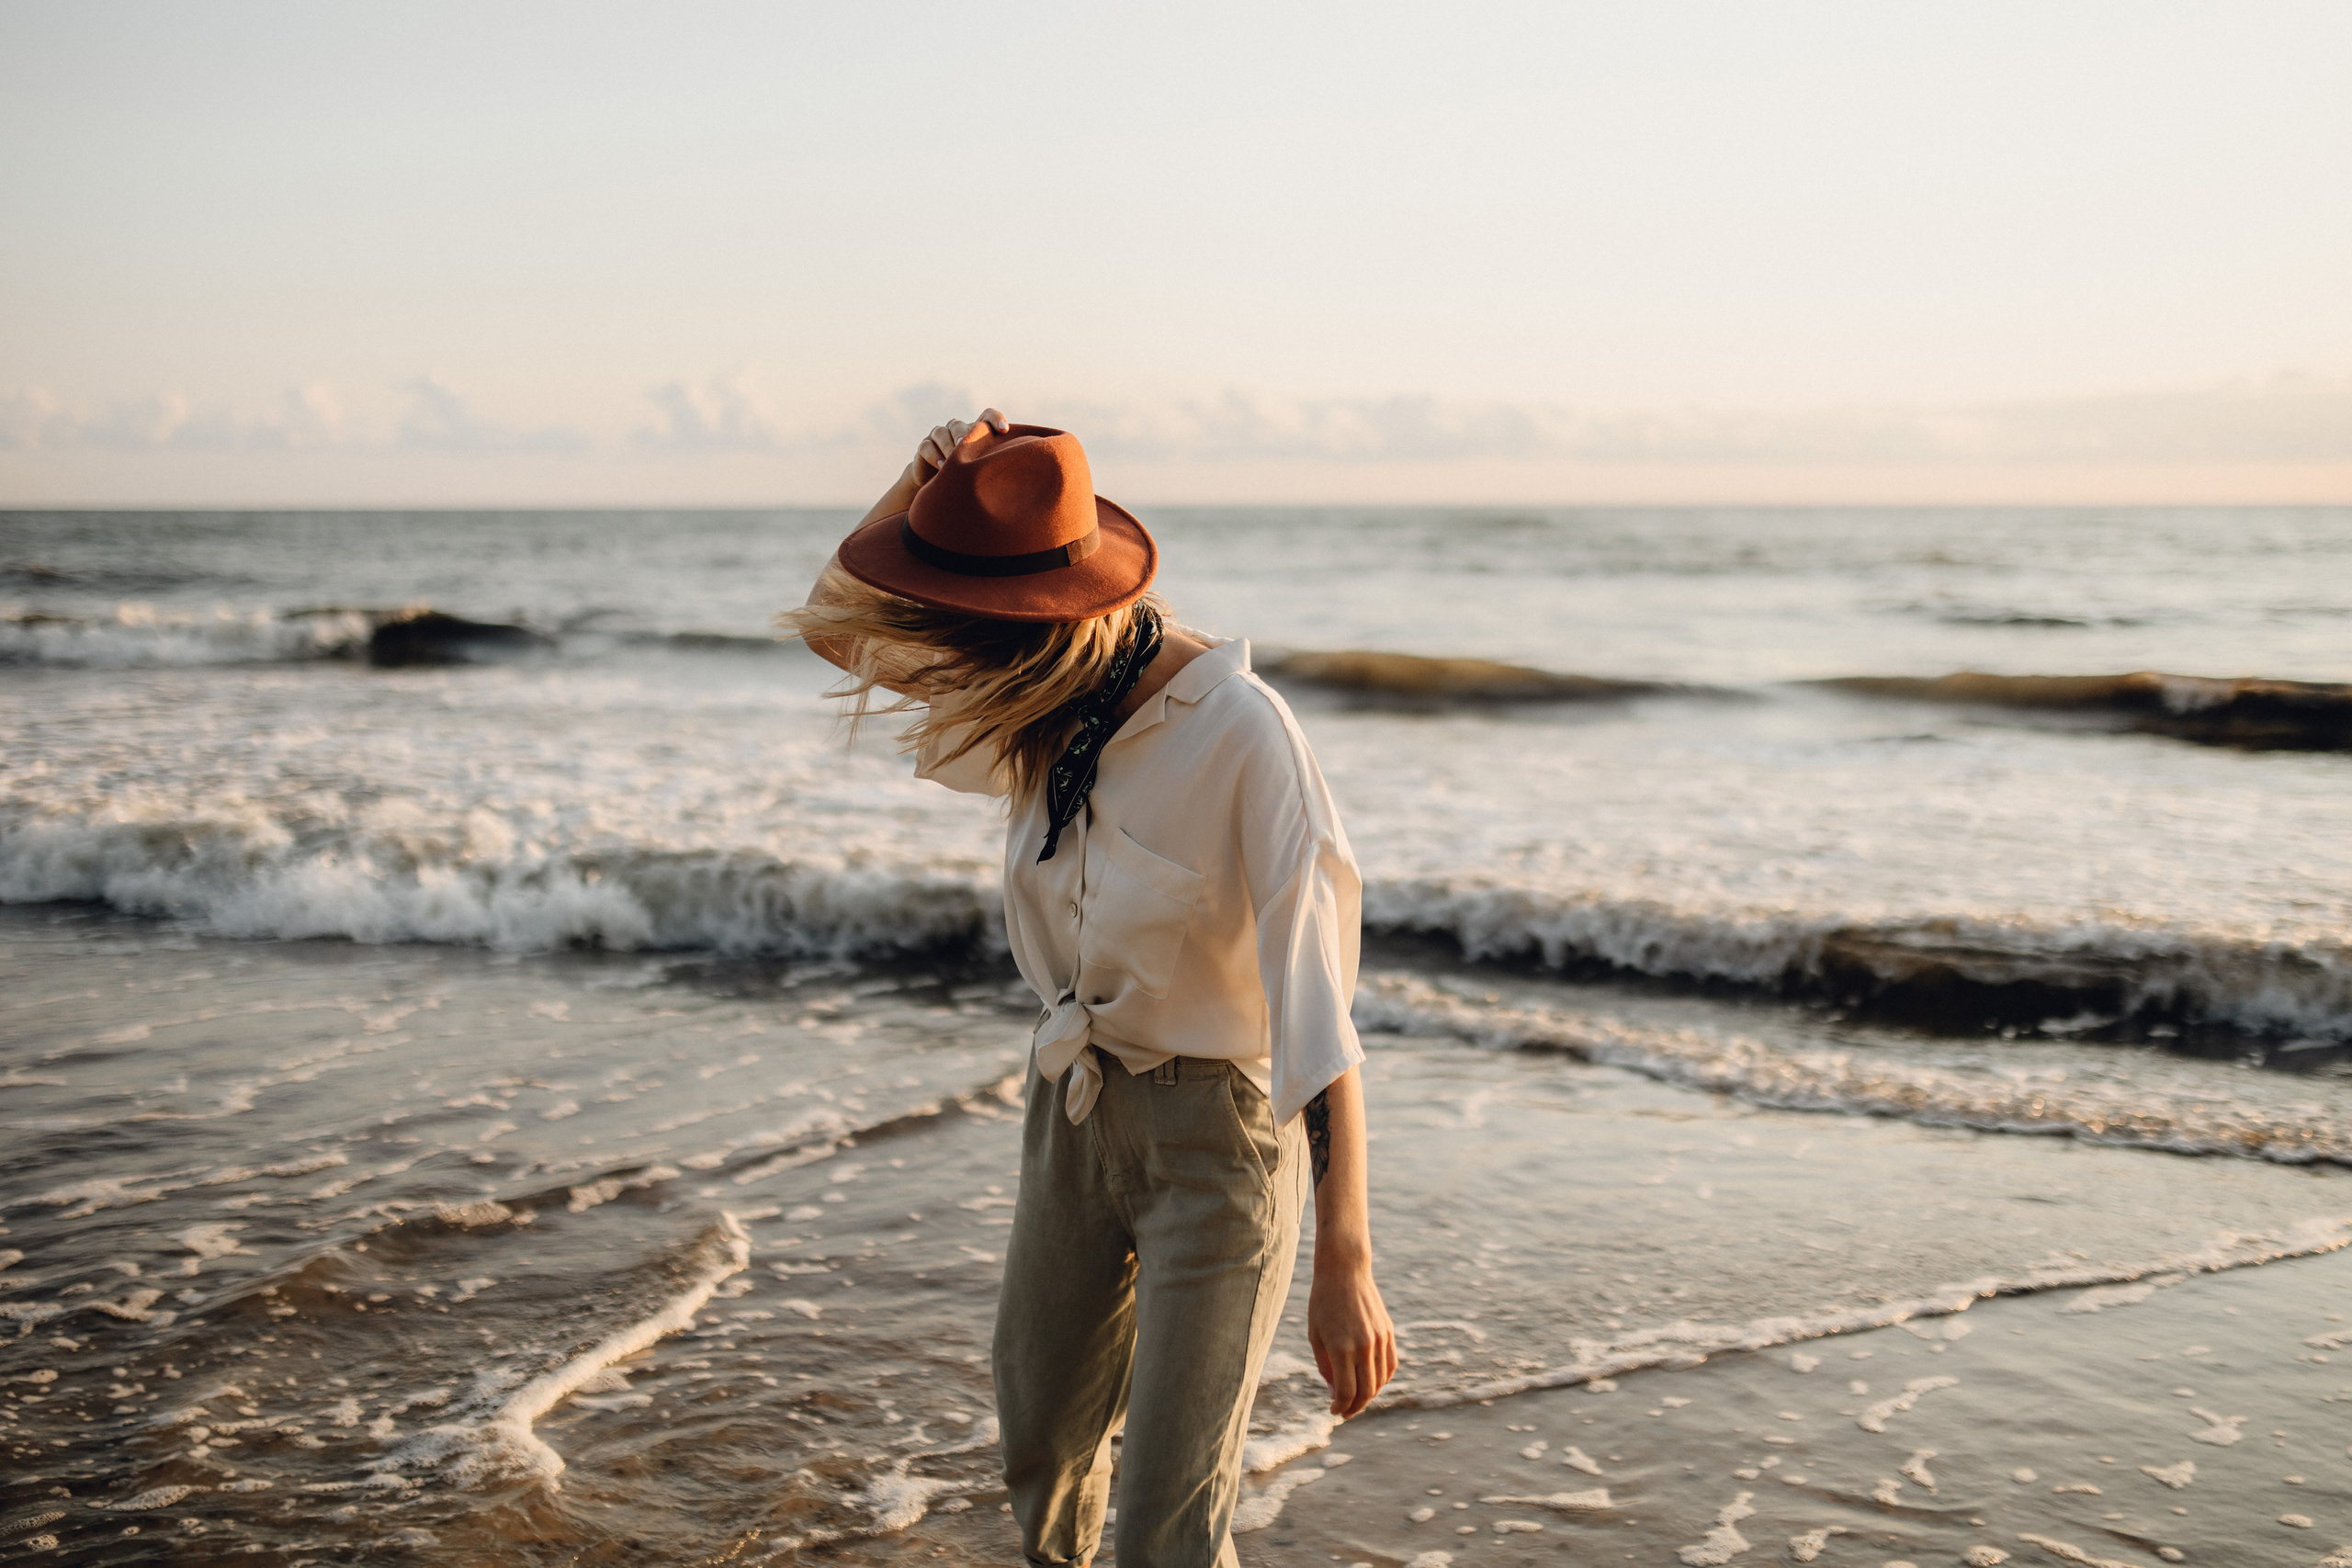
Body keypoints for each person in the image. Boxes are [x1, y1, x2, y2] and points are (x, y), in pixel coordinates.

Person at [781, 409, 1395, 1568]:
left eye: (983, 628)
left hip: (1217, 1145)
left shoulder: (1241, 738)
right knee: (1043, 1448)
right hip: (1069, 1113)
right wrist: (917, 490)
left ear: (1053, 621)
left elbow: (1319, 1019)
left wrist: (1346, 1267)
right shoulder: (1035, 708)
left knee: (1167, 1520)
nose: (959, 658)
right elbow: (837, 632)